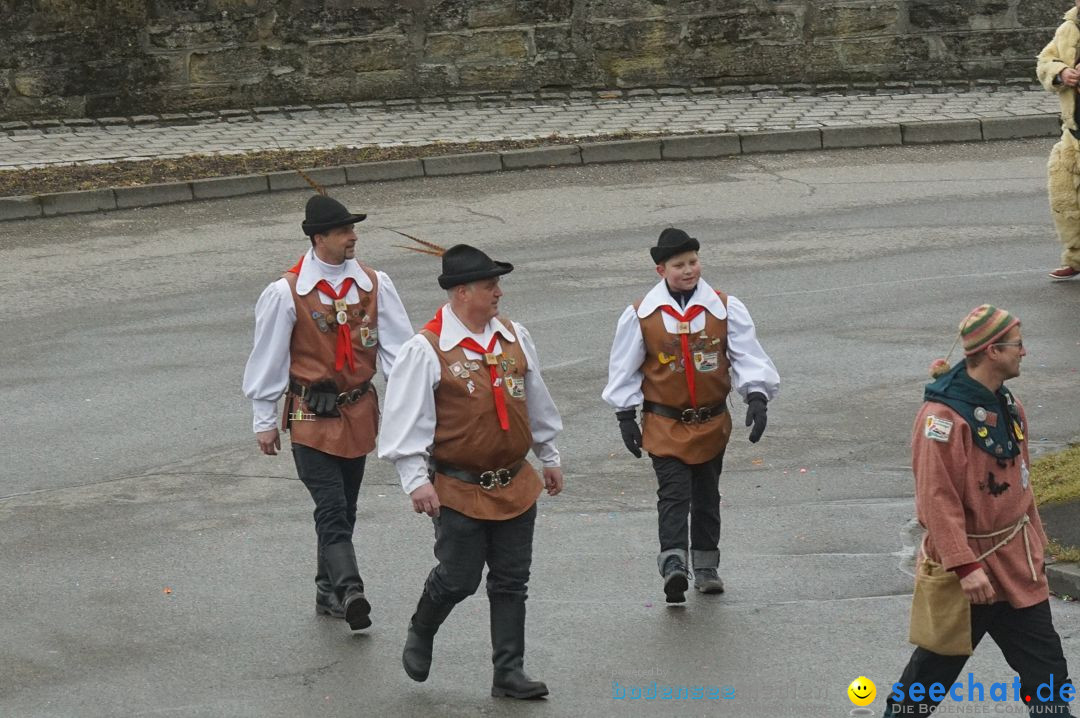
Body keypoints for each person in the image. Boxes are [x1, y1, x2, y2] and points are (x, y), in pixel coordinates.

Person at [378, 244, 563, 699]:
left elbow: (534, 401)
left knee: (511, 580)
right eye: (489, 285)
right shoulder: (426, 349)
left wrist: (550, 455)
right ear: (461, 292)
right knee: (459, 577)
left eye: (497, 284)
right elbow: (406, 422)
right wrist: (416, 481)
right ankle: (423, 627)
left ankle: (509, 672)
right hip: (459, 487)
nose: (499, 292)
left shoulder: (515, 335)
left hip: (515, 483)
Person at [884, 305, 1073, 717]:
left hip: (1017, 565)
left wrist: (1037, 544)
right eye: (1017, 345)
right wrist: (965, 567)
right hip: (971, 575)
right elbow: (936, 500)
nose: (1024, 352)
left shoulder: (1009, 404)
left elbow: (1022, 484)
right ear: (992, 351)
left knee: (1049, 678)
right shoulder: (942, 419)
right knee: (927, 681)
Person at [242, 193, 413, 631]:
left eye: (353, 230)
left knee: (346, 507)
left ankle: (326, 589)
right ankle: (351, 589)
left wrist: (409, 407)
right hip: (306, 413)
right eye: (343, 232)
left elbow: (399, 353)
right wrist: (264, 421)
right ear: (319, 238)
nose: (353, 237)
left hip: (358, 411)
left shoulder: (375, 285)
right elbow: (268, 359)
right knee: (332, 507)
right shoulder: (285, 292)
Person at [602, 228, 779, 603]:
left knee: (706, 495)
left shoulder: (725, 307)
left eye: (693, 262)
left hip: (712, 422)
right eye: (679, 265)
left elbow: (747, 356)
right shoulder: (641, 316)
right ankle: (673, 564)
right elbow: (625, 368)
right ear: (660, 270)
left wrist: (757, 396)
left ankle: (706, 566)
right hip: (664, 422)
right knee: (674, 493)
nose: (689, 270)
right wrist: (625, 415)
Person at [1037, 0, 1080, 281]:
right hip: (1074, 131)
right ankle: (1076, 257)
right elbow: (1045, 61)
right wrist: (1061, 72)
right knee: (1066, 197)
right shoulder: (1068, 28)